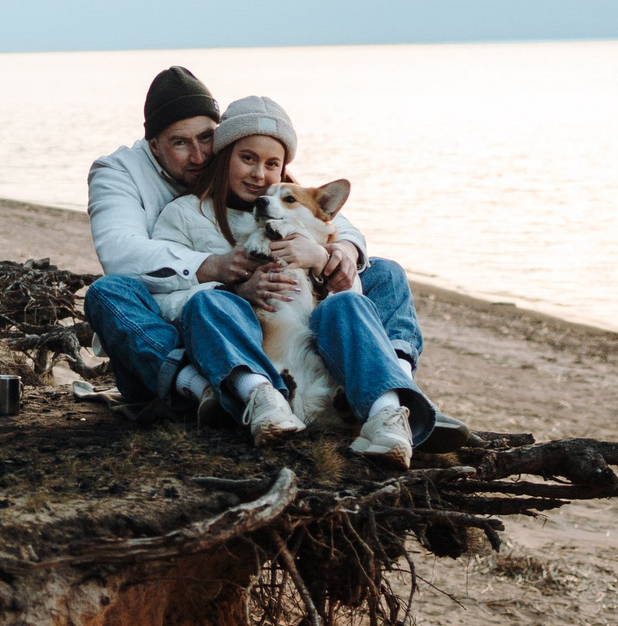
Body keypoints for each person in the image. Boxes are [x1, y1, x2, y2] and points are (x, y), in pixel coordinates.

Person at [84, 67, 428, 424]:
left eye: (206, 139)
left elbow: (318, 211)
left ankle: (398, 390)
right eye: (180, 143)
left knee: (385, 272)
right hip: (195, 326)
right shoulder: (131, 181)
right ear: (154, 145)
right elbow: (122, 254)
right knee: (112, 293)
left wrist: (334, 254)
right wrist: (223, 277)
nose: (200, 156)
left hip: (280, 326)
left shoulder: (266, 191)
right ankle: (204, 388)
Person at [148, 96, 438, 463]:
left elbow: (336, 228)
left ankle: (395, 399)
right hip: (249, 325)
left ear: (284, 169)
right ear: (224, 156)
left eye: (272, 164)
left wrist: (326, 256)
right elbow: (163, 293)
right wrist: (231, 284)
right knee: (208, 303)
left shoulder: (291, 202)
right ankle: (262, 396)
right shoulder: (185, 214)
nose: (259, 175)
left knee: (382, 275)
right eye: (247, 158)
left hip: (317, 322)